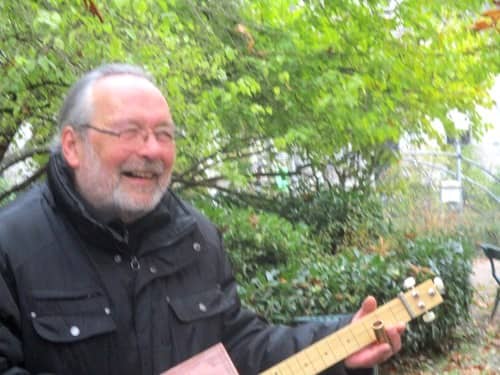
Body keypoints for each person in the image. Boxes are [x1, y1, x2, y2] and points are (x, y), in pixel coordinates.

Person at [0, 63, 405, 375]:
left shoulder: (196, 238)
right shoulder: (11, 245)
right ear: (73, 144)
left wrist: (342, 340)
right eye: (130, 131)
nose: (153, 150)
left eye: (165, 134)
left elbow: (236, 347)